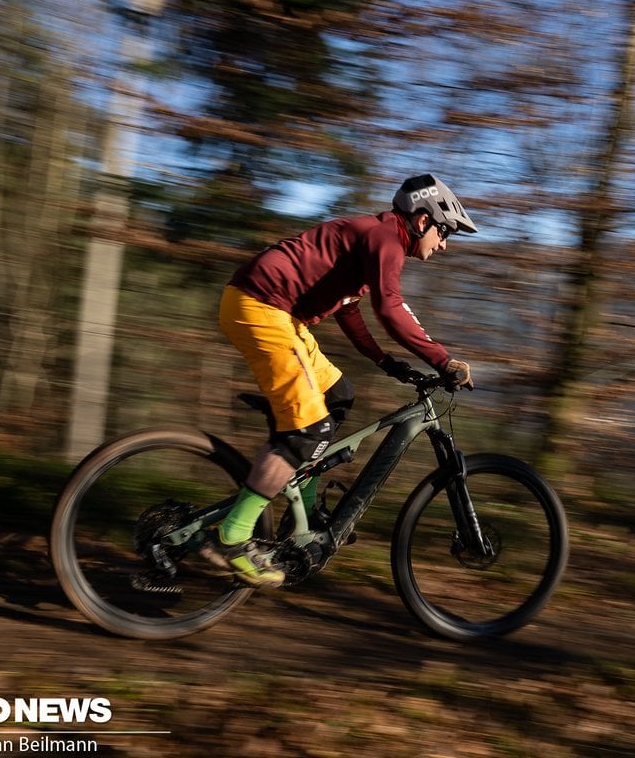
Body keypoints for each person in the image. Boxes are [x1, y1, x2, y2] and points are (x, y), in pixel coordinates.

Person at [201, 174, 477, 587]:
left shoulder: (377, 240)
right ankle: (231, 537)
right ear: (422, 220)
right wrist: (443, 360)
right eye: (444, 232)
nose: (444, 244)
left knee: (337, 395)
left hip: (276, 312)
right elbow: (390, 307)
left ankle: (304, 515)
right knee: (310, 430)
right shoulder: (385, 238)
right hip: (261, 307)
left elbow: (350, 311)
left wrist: (386, 362)